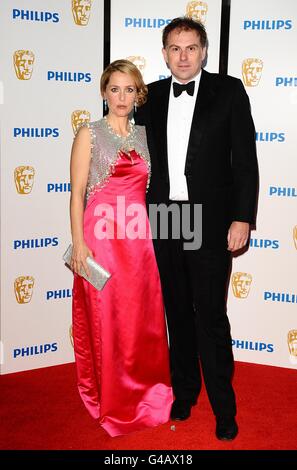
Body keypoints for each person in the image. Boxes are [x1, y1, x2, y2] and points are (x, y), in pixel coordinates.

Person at [135, 17, 258, 440]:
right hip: (167, 216)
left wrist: (242, 217)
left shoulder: (229, 91)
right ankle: (184, 393)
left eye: (191, 47)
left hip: (209, 219)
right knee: (177, 313)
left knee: (210, 316)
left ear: (204, 51)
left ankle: (224, 407)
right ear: (164, 52)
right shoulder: (147, 97)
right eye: (175, 48)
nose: (183, 56)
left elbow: (244, 162)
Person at [69, 59, 172, 437]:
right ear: (104, 92)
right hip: (101, 237)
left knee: (140, 319)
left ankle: (149, 395)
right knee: (107, 318)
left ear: (139, 93)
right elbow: (77, 192)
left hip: (138, 238)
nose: (122, 97)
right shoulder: (89, 134)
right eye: (115, 89)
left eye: (130, 89)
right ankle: (112, 401)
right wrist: (79, 243)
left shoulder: (147, 135)